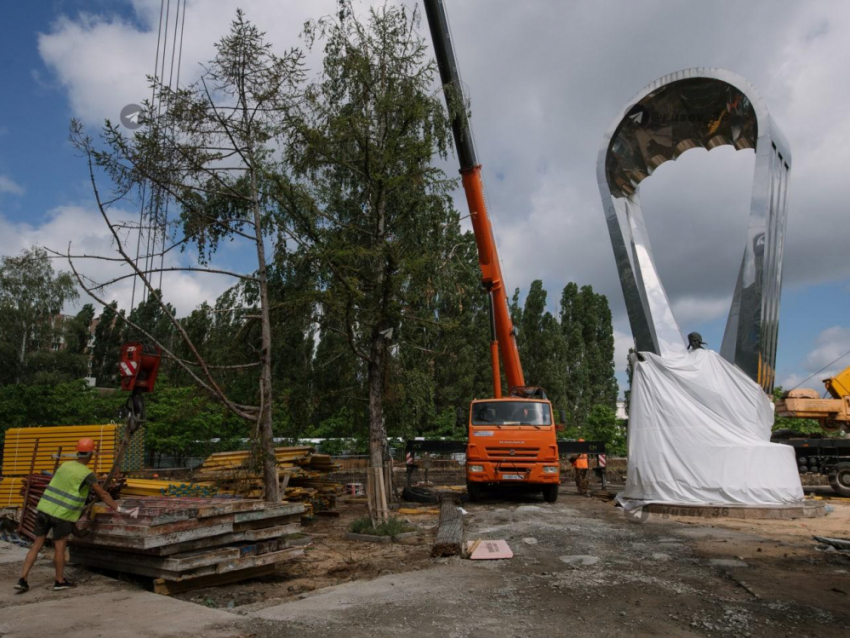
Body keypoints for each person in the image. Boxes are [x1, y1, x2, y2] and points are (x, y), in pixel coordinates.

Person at [15, 438, 119, 592]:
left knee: (36, 545)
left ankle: (22, 579)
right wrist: (118, 508)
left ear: (78, 452)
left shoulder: (64, 465)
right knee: (60, 547)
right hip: (62, 515)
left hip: (44, 509)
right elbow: (102, 494)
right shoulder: (87, 474)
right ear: (91, 454)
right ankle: (59, 581)